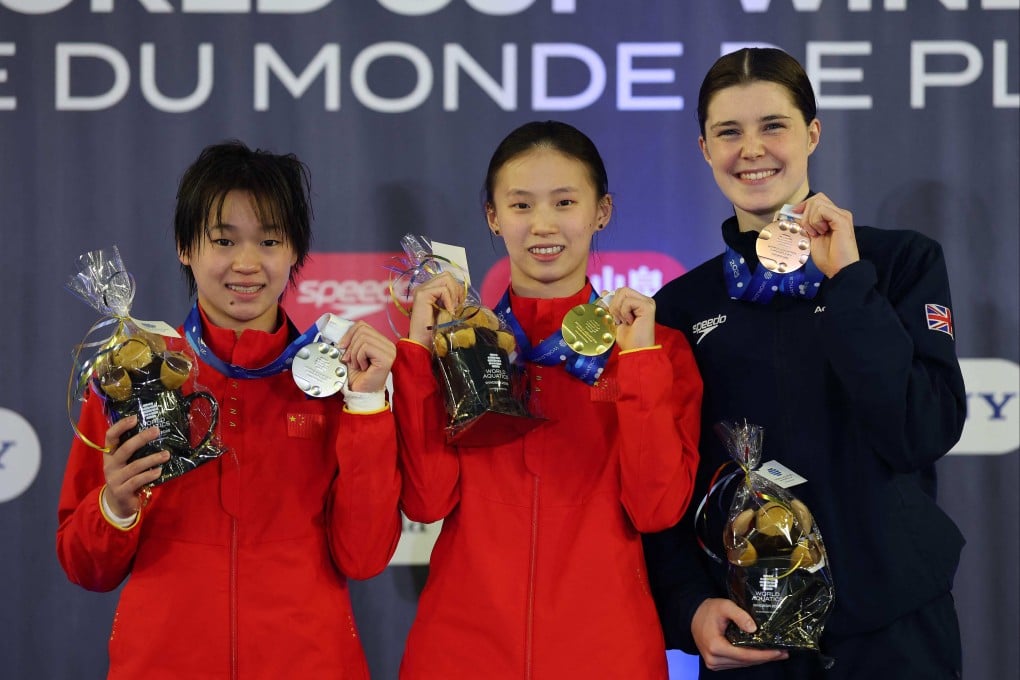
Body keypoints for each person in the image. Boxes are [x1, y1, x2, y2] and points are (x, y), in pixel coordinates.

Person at [643, 48, 966, 679]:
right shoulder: (680, 306)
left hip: (895, 628)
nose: (751, 149)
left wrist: (849, 283)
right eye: (728, 132)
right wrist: (688, 606)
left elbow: (920, 431)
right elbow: (667, 477)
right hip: (753, 632)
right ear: (704, 149)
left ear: (812, 134)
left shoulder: (898, 263)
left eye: (774, 126)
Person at [56, 140, 402, 679]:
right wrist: (115, 506)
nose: (246, 263)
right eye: (223, 240)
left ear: (295, 251)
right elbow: (85, 568)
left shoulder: (338, 378)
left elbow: (365, 556)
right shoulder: (134, 374)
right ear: (185, 247)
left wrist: (365, 405)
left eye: (269, 240)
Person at [391, 120, 702, 679]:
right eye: (520, 205)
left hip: (606, 655)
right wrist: (418, 351)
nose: (543, 225)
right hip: (460, 652)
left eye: (564, 202)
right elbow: (426, 501)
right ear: (493, 216)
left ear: (601, 211)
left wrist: (638, 362)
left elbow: (655, 508)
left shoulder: (656, 349)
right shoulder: (461, 343)